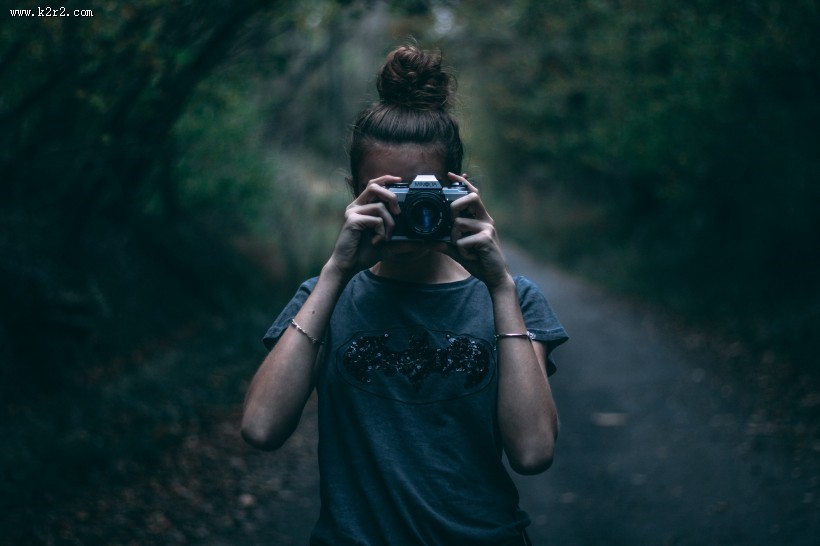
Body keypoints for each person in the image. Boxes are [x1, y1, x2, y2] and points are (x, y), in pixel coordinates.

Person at [241, 43, 568, 545]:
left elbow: (532, 452)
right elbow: (261, 428)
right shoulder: (325, 296)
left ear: (460, 190)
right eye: (389, 196)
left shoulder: (514, 299)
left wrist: (498, 285)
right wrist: (336, 271)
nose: (409, 214)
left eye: (424, 196)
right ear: (355, 193)